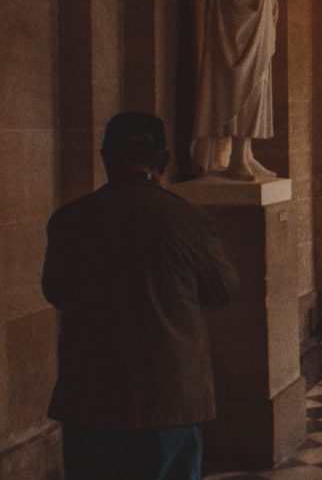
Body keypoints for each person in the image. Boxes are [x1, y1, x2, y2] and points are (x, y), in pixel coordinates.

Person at [43, 112, 238, 479]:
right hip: (168, 393)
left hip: (91, 391)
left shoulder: (70, 219)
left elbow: (55, 290)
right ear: (164, 160)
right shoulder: (187, 220)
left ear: (105, 157)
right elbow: (223, 289)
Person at [191, 0, 279, 180]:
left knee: (258, 80)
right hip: (238, 18)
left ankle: (247, 151)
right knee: (240, 79)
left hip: (256, 9)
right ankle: (236, 158)